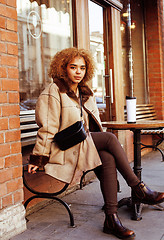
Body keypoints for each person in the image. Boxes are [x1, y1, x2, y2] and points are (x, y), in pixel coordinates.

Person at [28, 47, 164, 239]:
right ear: (63, 68)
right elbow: (48, 128)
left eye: (82, 68)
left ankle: (111, 219)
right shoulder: (54, 91)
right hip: (65, 148)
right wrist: (38, 158)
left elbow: (93, 126)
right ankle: (138, 188)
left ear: (87, 70)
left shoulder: (85, 93)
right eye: (73, 67)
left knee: (107, 157)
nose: (78, 72)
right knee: (110, 138)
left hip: (84, 145)